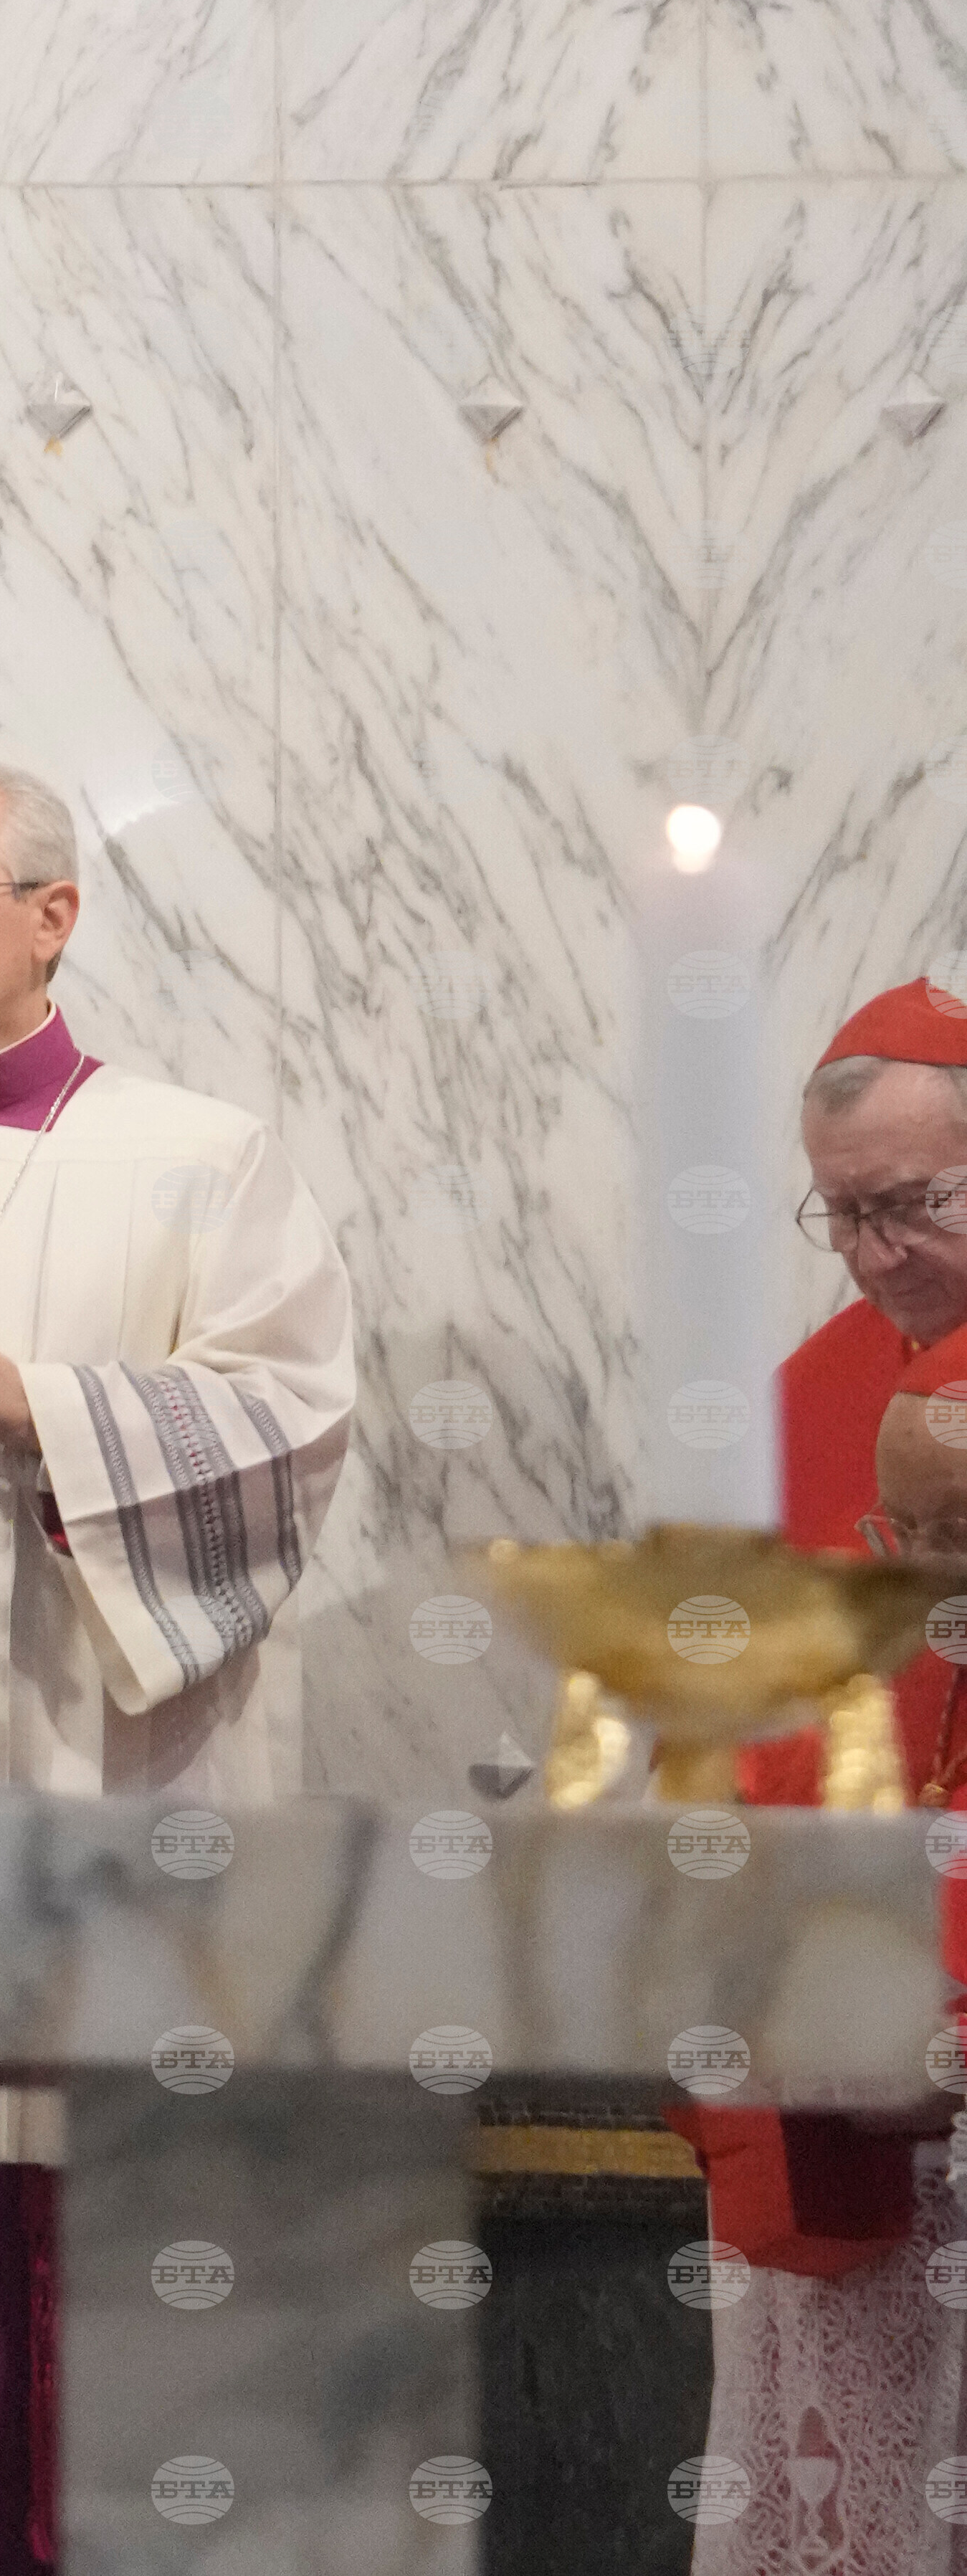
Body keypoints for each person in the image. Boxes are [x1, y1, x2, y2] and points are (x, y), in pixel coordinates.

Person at [0, 755, 358, 2575]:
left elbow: (289, 1422)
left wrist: (31, 1407)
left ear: (51, 916)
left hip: (103, 1775)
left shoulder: (194, 1154)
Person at [675, 984, 967, 2575]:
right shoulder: (801, 1395)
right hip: (838, 2086)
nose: (871, 1253)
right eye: (841, 1215)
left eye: (910, 1205)